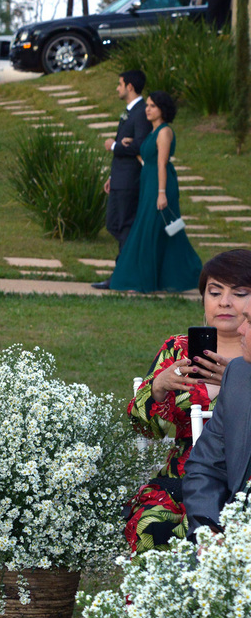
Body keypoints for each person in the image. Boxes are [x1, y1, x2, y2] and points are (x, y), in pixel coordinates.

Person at [126, 250, 251, 553]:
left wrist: (233, 385)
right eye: (214, 292)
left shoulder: (246, 367)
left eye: (240, 293)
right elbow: (145, 431)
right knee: (151, 521)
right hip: (183, 477)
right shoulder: (177, 350)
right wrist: (157, 387)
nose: (224, 302)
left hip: (238, 476)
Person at [108, 92, 202, 293]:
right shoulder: (153, 132)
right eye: (147, 105)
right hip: (149, 181)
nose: (147, 109)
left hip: (160, 185)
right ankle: (155, 278)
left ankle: (187, 273)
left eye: (152, 106)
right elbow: (148, 159)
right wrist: (132, 146)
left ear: (162, 109)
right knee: (159, 231)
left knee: (157, 229)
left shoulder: (164, 132)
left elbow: (162, 163)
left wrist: (161, 193)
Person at [183, 297, 251, 539]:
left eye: (250, 322)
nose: (240, 329)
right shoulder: (239, 374)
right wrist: (208, 529)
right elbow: (206, 467)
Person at [92, 70, 151, 289]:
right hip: (120, 178)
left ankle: (123, 275)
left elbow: (141, 145)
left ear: (130, 87)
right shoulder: (130, 112)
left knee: (125, 225)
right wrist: (112, 176)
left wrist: (114, 145)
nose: (117, 88)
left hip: (130, 181)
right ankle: (125, 273)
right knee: (115, 224)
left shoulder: (141, 113)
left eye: (120, 84)